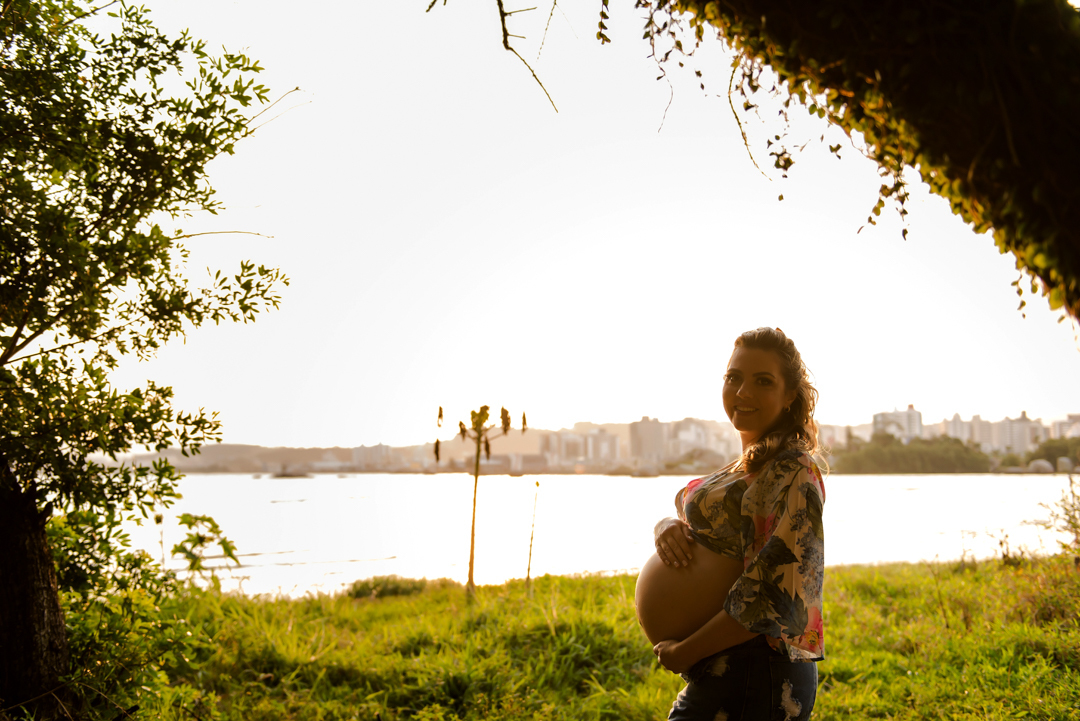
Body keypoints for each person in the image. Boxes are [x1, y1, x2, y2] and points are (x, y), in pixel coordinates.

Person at [638, 327, 826, 721]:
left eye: (763, 381)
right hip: (730, 666)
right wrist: (666, 526)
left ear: (790, 395)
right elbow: (711, 522)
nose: (742, 392)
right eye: (733, 377)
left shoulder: (793, 469)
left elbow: (775, 593)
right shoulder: (750, 464)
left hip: (758, 669)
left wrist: (684, 652)